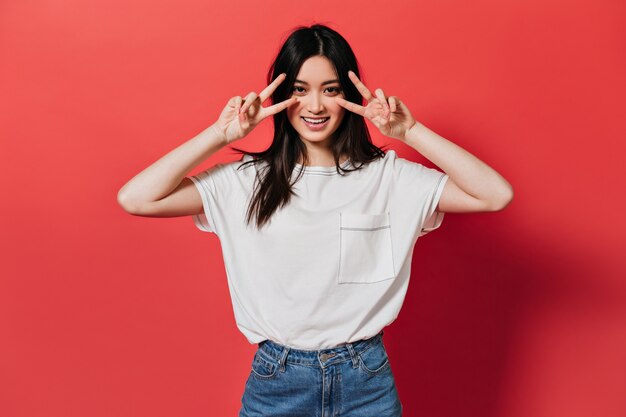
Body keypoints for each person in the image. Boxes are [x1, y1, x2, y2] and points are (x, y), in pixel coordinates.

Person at [118, 23, 513, 417]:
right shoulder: (244, 181)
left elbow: (495, 195)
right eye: (299, 90)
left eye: (331, 89)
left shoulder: (389, 177)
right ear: (281, 95)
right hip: (277, 382)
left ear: (348, 95)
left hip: (366, 382)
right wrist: (220, 134)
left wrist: (409, 132)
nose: (315, 106)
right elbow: (136, 198)